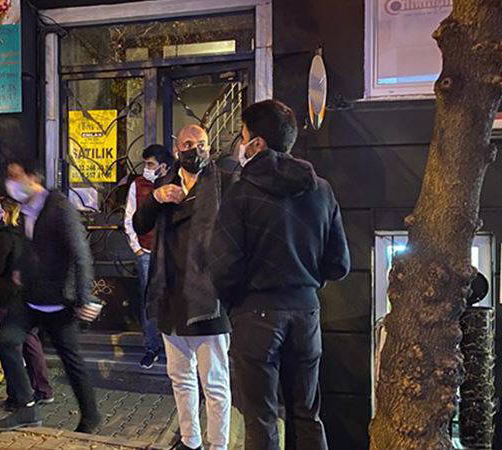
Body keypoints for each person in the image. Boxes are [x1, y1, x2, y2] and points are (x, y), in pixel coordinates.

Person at [209, 100, 350, 450]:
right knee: (307, 414)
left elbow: (223, 265)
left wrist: (237, 303)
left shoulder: (240, 192)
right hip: (306, 312)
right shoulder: (321, 189)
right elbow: (339, 263)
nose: (240, 145)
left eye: (243, 137)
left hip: (255, 314)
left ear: (257, 144)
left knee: (261, 418)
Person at [133, 125, 231, 450]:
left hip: (208, 297)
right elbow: (139, 224)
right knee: (180, 378)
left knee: (214, 382)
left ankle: (218, 445)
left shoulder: (224, 182)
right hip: (169, 291)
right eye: (189, 144)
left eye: (201, 144)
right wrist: (155, 198)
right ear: (177, 148)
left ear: (209, 147)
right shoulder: (164, 184)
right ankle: (190, 441)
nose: (195, 149)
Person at [0, 159, 101, 433]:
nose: (11, 183)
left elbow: (80, 253)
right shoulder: (27, 209)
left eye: (16, 176)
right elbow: (31, 247)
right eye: (9, 177)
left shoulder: (59, 207)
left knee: (71, 360)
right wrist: (21, 270)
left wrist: (83, 297)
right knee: (5, 340)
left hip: (58, 300)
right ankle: (26, 407)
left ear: (33, 177)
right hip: (31, 297)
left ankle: (90, 417)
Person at [0, 185, 54, 410]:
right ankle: (42, 389)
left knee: (10, 347)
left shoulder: (5, 235)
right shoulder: (28, 231)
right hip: (27, 293)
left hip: (7, 295)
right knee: (30, 342)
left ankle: (17, 395)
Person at [124, 144, 172, 369]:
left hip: (169, 253)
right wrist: (137, 248)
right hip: (146, 251)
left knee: (171, 300)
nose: (146, 168)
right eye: (145, 164)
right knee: (148, 302)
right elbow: (129, 217)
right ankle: (152, 347)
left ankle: (173, 348)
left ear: (163, 165)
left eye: (150, 164)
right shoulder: (137, 185)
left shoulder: (174, 183)